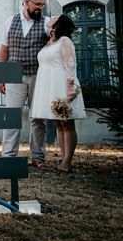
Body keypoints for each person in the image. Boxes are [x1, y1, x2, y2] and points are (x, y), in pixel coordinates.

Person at [0, 0, 50, 165]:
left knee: (38, 117)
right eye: (37, 4)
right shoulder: (9, 22)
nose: (40, 8)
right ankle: (8, 156)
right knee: (11, 115)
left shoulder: (46, 23)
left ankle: (37, 156)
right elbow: (4, 50)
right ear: (26, 3)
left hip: (38, 75)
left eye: (42, 5)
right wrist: (1, 77)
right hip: (14, 75)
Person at [30, 14, 86, 172]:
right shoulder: (49, 42)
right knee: (57, 123)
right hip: (49, 87)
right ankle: (64, 159)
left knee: (66, 123)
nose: (51, 17)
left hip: (62, 84)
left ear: (59, 24)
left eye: (55, 17)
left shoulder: (65, 41)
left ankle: (67, 161)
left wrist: (70, 86)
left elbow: (70, 63)